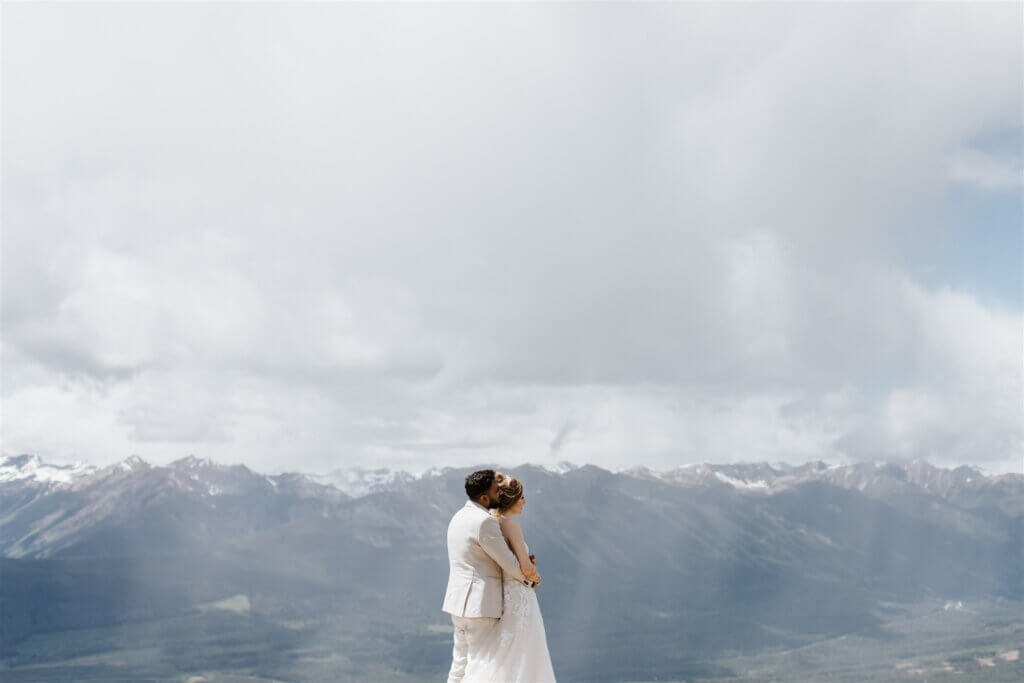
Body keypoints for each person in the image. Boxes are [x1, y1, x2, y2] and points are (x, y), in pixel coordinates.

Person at [442, 469, 541, 683]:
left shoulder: (458, 516)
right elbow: (509, 563)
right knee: (483, 666)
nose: (500, 495)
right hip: (479, 606)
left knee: (459, 667)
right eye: (496, 491)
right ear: (484, 497)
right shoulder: (484, 522)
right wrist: (530, 579)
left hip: (457, 604)